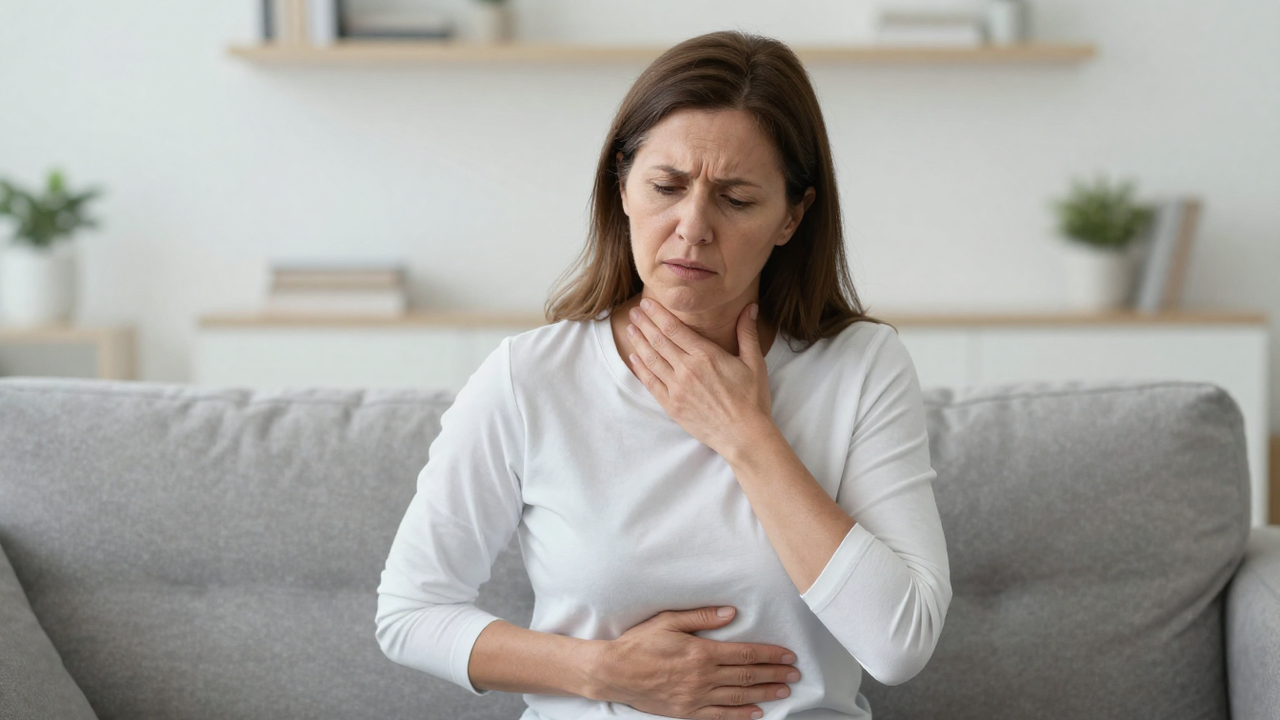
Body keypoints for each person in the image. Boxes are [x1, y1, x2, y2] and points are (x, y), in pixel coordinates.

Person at [376, 29, 951, 720]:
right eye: (666, 186)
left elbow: (900, 645)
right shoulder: (529, 377)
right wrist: (600, 671)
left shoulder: (861, 366)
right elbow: (410, 612)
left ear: (792, 216)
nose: (693, 226)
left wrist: (746, 435)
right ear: (621, 186)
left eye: (737, 199)